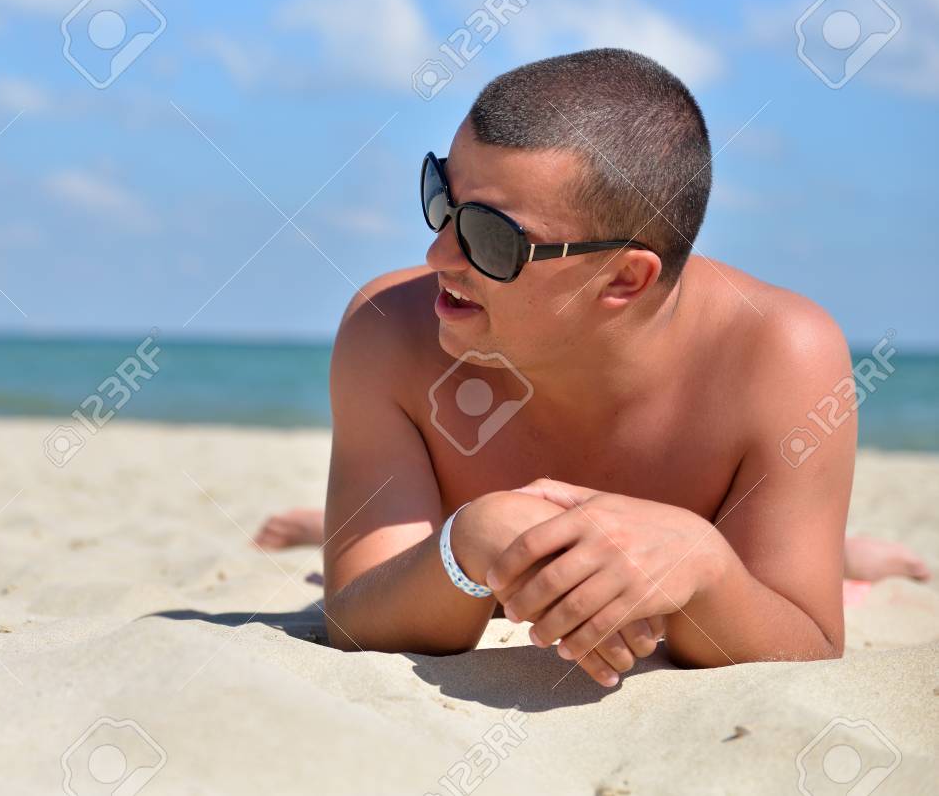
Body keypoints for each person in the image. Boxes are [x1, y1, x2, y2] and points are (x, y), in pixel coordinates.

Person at [254, 49, 931, 688]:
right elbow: (354, 615)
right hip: (464, 522)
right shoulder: (392, 329)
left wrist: (708, 565)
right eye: (440, 198)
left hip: (738, 532)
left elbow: (807, 639)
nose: (437, 254)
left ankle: (841, 551)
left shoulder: (779, 355)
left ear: (625, 280)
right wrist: (469, 541)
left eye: (491, 236)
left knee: (787, 555)